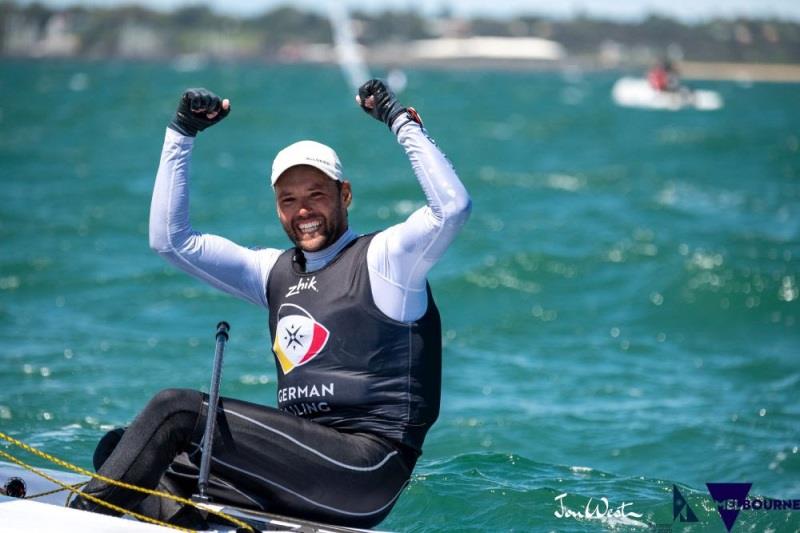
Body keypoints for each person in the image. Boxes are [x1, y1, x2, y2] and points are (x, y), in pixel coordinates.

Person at [68, 79, 471, 529]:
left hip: (366, 471)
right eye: (289, 200)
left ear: (346, 194)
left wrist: (399, 121)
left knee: (176, 411)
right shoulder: (273, 272)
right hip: (298, 474)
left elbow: (452, 208)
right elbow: (171, 242)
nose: (303, 210)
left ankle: (73, 522)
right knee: (124, 450)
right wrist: (181, 134)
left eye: (316, 194)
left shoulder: (386, 258)